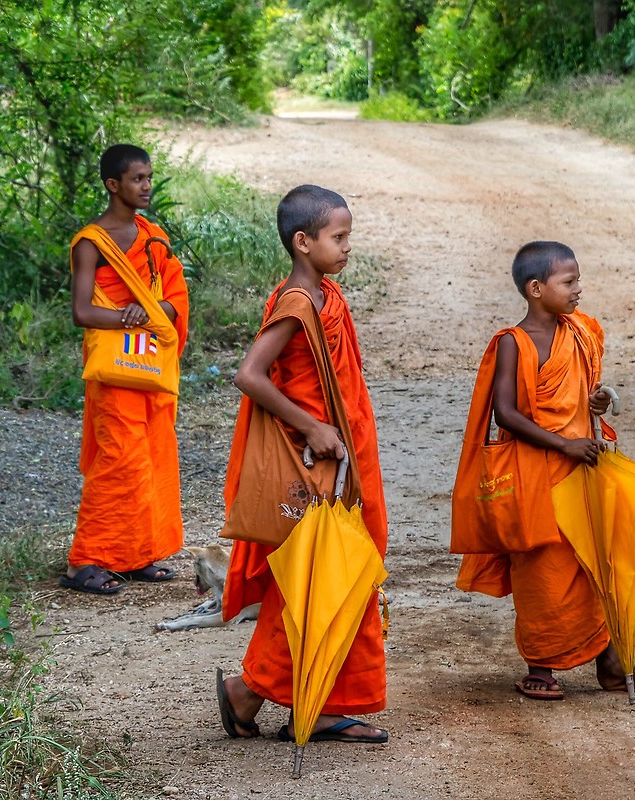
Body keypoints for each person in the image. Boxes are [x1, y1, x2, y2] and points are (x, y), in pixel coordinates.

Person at [452, 241, 635, 700]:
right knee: (542, 569)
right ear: (536, 289)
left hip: (581, 469)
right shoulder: (513, 343)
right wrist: (563, 444)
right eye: (569, 281)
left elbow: (578, 395)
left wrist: (593, 401)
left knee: (596, 563)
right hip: (536, 473)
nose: (579, 289)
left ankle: (612, 663)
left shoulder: (578, 333)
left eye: (578, 280)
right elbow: (505, 412)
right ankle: (540, 665)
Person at [216, 185, 389, 744]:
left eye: (348, 236)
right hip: (316, 462)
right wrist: (313, 426)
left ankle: (315, 702)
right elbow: (250, 375)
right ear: (303, 241)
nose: (347, 247)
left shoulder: (325, 293)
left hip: (343, 457)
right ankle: (251, 690)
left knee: (338, 573)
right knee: (320, 577)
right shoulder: (297, 302)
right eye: (339, 237)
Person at [61, 144, 190, 595]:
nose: (147, 186)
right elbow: (81, 311)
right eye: (138, 179)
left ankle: (134, 554)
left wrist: (150, 311)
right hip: (114, 370)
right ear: (113, 185)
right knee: (119, 460)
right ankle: (83, 561)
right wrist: (128, 317)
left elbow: (175, 297)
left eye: (149, 177)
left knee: (152, 457)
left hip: (149, 365)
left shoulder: (153, 237)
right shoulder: (90, 242)